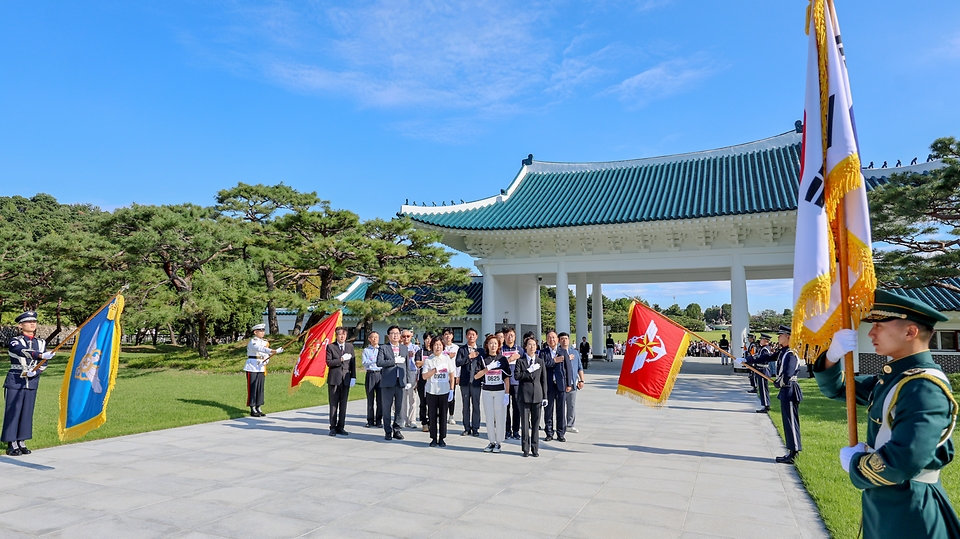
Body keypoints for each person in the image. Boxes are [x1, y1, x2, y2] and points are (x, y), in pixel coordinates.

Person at [815, 290, 960, 538]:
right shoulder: (895, 378)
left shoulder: (923, 387)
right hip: (888, 504)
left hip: (909, 511)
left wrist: (856, 465)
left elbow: (903, 460)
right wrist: (832, 356)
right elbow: (840, 389)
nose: (871, 333)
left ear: (910, 332)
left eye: (880, 325)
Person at [3, 311, 54, 456]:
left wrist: (36, 372)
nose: (33, 324)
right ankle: (11, 443)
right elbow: (19, 351)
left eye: (34, 321)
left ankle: (21, 441)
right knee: (13, 412)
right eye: (28, 321)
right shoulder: (15, 340)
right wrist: (38, 355)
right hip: (16, 381)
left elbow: (44, 363)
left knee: (27, 412)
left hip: (31, 381)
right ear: (21, 325)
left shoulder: (41, 342)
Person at [771, 325, 802, 464]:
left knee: (791, 422)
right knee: (787, 421)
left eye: (781, 335)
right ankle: (791, 450)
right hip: (786, 390)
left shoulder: (791, 353)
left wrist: (779, 382)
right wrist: (747, 361)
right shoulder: (784, 351)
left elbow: (788, 374)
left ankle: (794, 451)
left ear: (788, 337)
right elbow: (769, 357)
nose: (778, 337)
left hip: (790, 390)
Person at [476, 334, 510, 453]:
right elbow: (476, 375)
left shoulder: (502, 359)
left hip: (500, 391)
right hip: (487, 391)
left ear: (499, 345)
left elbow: (506, 378)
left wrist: (507, 393)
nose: (493, 346)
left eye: (495, 343)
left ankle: (499, 442)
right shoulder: (482, 359)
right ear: (487, 345)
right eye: (491, 343)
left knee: (500, 417)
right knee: (489, 417)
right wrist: (487, 369)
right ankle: (491, 441)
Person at [516, 337, 547, 457]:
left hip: (537, 396)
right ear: (525, 347)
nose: (532, 347)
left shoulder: (540, 361)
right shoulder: (521, 361)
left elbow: (544, 380)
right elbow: (517, 376)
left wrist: (545, 396)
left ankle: (535, 448)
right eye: (529, 345)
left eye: (534, 345)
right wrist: (528, 371)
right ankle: (525, 449)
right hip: (524, 395)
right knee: (525, 424)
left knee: (535, 423)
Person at [540, 331, 574, 442]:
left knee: (560, 410)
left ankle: (561, 433)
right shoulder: (543, 353)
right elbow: (541, 366)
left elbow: (568, 368)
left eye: (553, 337)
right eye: (549, 338)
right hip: (548, 385)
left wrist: (569, 383)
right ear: (546, 339)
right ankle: (549, 432)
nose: (551, 340)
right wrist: (553, 361)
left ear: (557, 339)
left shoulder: (563, 351)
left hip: (561, 385)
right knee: (548, 410)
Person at [377, 326, 409, 441]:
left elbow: (407, 366)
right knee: (387, 408)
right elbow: (379, 362)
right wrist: (394, 361)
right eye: (393, 333)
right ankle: (387, 431)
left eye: (397, 333)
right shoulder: (383, 348)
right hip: (387, 382)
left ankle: (397, 430)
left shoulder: (404, 348)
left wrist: (408, 380)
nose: (395, 335)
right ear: (389, 335)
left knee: (400, 408)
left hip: (400, 382)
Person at [422, 338, 456, 447]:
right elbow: (424, 376)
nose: (438, 347)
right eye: (436, 345)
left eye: (440, 345)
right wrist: (435, 370)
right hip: (431, 391)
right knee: (432, 416)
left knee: (443, 416)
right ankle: (433, 438)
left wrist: (451, 389)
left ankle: (442, 438)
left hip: (444, 391)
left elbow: (451, 374)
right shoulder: (428, 360)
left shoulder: (447, 359)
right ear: (432, 346)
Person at [244, 323, 282, 417]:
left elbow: (265, 354)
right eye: (260, 331)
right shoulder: (253, 342)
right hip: (252, 366)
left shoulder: (265, 342)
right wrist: (273, 351)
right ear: (255, 332)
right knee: (252, 387)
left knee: (260, 388)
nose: (262, 332)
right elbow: (259, 349)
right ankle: (252, 408)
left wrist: (267, 360)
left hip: (261, 366)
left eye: (263, 330)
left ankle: (258, 407)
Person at [325, 326, 355, 436]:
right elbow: (329, 362)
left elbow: (353, 363)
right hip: (334, 378)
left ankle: (341, 426)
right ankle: (332, 427)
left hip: (346, 378)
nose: (342, 336)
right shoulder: (331, 347)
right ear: (336, 335)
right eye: (340, 334)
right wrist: (341, 359)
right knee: (333, 404)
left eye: (344, 334)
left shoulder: (349, 346)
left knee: (343, 404)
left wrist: (353, 377)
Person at [456, 328, 482, 437]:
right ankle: (467, 427)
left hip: (476, 381)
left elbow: (483, 364)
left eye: (473, 334)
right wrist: (468, 357)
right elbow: (458, 362)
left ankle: (475, 428)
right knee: (465, 406)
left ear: (476, 336)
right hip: (465, 381)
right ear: (466, 336)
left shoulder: (480, 350)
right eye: (469, 334)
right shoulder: (462, 349)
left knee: (476, 405)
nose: (471, 336)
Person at [744, 334, 775, 413]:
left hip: (763, 369)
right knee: (762, 388)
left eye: (762, 339)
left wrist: (750, 359)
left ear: (766, 341)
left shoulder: (765, 349)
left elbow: (761, 358)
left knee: (763, 389)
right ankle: (765, 404)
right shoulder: (763, 348)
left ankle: (766, 405)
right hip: (760, 369)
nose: (760, 340)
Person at [501, 327, 522, 440]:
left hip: (517, 383)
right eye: (508, 335)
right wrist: (509, 360)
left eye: (512, 335)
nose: (510, 337)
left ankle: (516, 430)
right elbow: (498, 363)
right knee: (506, 407)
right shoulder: (501, 350)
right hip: (504, 382)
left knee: (517, 407)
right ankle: (507, 430)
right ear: (504, 337)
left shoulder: (519, 349)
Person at [561, 333, 585, 433]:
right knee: (560, 406)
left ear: (569, 340)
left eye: (566, 338)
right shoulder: (558, 352)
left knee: (571, 405)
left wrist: (582, 380)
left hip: (573, 384)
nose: (564, 341)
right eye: (562, 339)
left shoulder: (574, 353)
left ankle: (570, 424)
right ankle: (561, 425)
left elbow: (580, 367)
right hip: (561, 384)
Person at [361, 332, 383, 428]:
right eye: (373, 337)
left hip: (380, 374)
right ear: (369, 339)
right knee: (370, 399)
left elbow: (383, 362)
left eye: (376, 337)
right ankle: (370, 420)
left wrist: (376, 361)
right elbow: (365, 363)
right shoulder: (366, 350)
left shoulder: (382, 349)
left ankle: (378, 420)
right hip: (370, 374)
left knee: (380, 399)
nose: (374, 339)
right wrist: (375, 361)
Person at [400, 329, 420, 428]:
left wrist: (417, 378)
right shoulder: (399, 348)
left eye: (408, 336)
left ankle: (412, 420)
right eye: (404, 336)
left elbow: (418, 363)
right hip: (402, 373)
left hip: (413, 372)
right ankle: (403, 419)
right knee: (402, 398)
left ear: (411, 337)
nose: (406, 338)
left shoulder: (416, 348)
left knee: (413, 398)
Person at [415, 332, 433, 432]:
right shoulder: (420, 352)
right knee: (423, 402)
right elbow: (418, 363)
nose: (428, 340)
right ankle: (424, 422)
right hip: (422, 380)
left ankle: (431, 421)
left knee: (432, 403)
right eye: (426, 338)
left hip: (433, 381)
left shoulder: (436, 352)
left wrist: (424, 362)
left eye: (430, 338)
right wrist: (430, 362)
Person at [441, 328, 459, 425]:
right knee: (441, 396)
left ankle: (451, 416)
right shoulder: (440, 346)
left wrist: (458, 376)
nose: (448, 336)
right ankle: (441, 415)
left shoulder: (456, 348)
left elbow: (457, 363)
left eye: (449, 334)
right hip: (441, 375)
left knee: (451, 396)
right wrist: (448, 356)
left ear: (452, 336)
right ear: (443, 336)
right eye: (446, 334)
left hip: (452, 376)